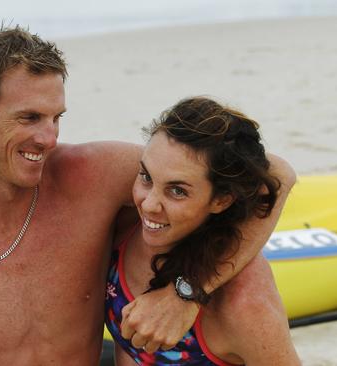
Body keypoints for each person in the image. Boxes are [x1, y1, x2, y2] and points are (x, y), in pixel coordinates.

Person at [0, 26, 296, 365]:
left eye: (56, 117)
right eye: (29, 117)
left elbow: (272, 174)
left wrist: (186, 293)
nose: (48, 138)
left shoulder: (92, 178)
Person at [105, 97, 300, 365]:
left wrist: (185, 295)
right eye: (146, 176)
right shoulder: (124, 226)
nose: (148, 204)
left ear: (222, 200)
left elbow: (280, 174)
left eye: (177, 191)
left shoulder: (244, 303)